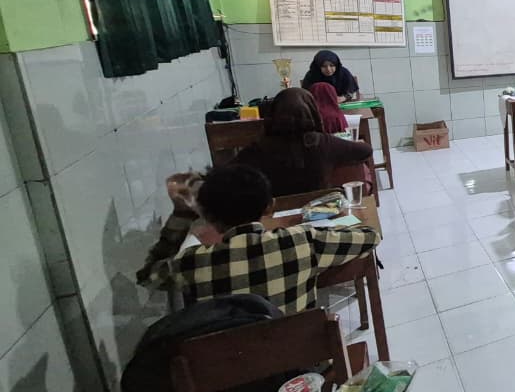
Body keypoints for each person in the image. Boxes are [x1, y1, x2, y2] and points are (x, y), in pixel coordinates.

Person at [136, 164, 380, 314]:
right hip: (303, 369)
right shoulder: (302, 242)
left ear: (208, 217)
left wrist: (181, 216)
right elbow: (370, 237)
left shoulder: (192, 264)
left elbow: (147, 277)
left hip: (228, 378)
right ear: (269, 207)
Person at [234, 87, 372, 197]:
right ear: (312, 111)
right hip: (320, 208)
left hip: (275, 211)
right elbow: (365, 151)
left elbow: (230, 171)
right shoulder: (323, 142)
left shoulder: (259, 148)